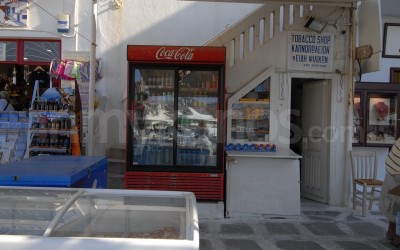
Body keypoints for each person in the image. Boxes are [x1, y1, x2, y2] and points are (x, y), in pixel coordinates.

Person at [380, 137, 400, 246]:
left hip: (393, 170)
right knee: (398, 204)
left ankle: (391, 232)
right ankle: (397, 236)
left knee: (395, 203)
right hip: (397, 173)